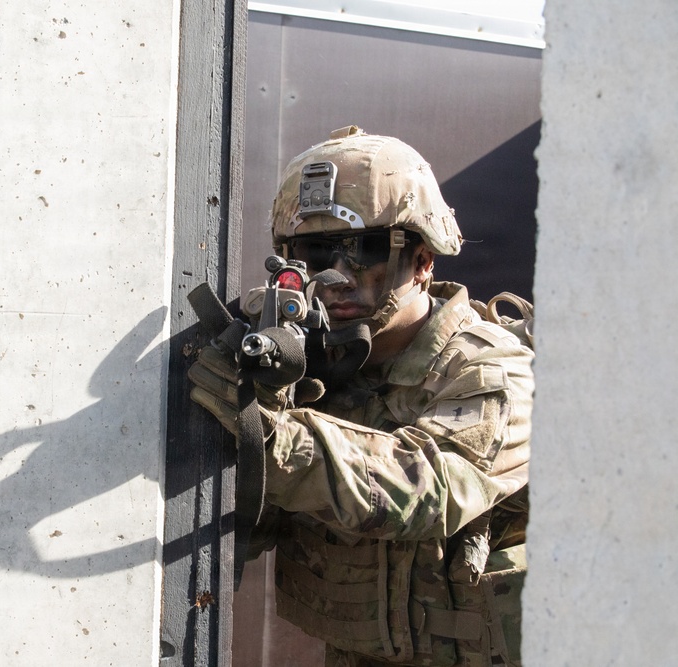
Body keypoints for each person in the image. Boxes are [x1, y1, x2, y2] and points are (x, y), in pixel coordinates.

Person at [189, 126, 533, 667]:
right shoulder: (303, 353)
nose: (336, 276)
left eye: (364, 250)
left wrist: (269, 433)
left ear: (423, 259)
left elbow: (430, 491)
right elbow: (242, 530)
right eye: (313, 252)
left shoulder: (489, 365)